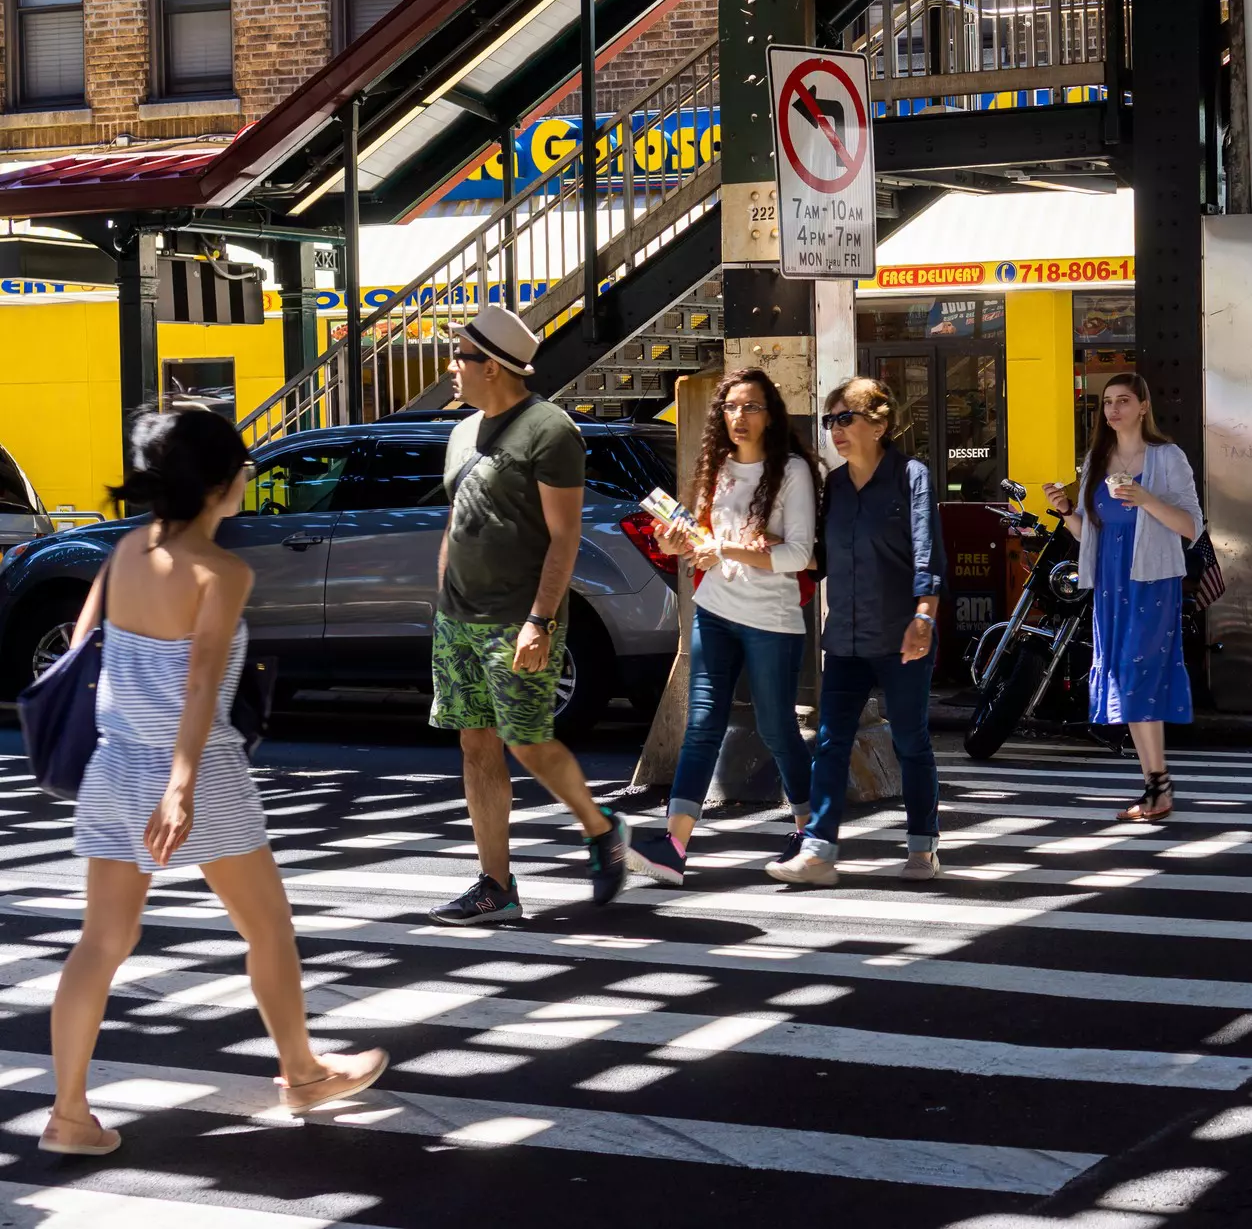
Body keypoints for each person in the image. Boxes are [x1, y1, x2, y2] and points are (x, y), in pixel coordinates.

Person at [46, 409, 386, 1156]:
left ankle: (68, 1114)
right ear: (216, 484)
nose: (248, 476)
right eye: (241, 467)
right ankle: (300, 1070)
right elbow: (202, 682)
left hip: (114, 762)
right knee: (267, 925)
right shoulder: (223, 570)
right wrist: (182, 783)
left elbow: (80, 647)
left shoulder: (126, 550)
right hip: (195, 770)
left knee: (101, 940)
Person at [426, 306, 628, 925]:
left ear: (492, 365)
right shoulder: (463, 432)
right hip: (457, 619)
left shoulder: (550, 430)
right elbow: (455, 524)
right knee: (476, 746)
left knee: (527, 741)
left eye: (459, 356)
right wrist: (442, 604)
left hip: (519, 618)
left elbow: (564, 537)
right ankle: (496, 884)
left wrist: (540, 622)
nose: (451, 368)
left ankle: (601, 828)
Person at [632, 369, 819, 884]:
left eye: (752, 407)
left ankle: (809, 831)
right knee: (702, 726)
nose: (739, 417)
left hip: (771, 620)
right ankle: (673, 845)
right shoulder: (717, 467)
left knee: (777, 727)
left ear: (771, 414)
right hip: (714, 609)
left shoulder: (793, 472)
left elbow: (800, 553)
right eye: (731, 408)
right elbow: (703, 542)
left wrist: (725, 549)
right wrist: (679, 545)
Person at [771, 378, 946, 886]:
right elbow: (819, 559)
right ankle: (819, 850)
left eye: (845, 418)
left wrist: (925, 618)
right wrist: (770, 547)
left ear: (881, 423)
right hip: (844, 637)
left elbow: (927, 555)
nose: (835, 431)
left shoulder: (911, 476)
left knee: (911, 740)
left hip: (901, 635)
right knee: (830, 741)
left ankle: (922, 845)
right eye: (830, 421)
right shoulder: (836, 487)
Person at [1044, 372, 1204, 821]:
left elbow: (1192, 527)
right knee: (1121, 675)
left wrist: (1145, 498)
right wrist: (1065, 512)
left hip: (1151, 578)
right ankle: (1156, 784)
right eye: (1108, 402)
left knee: (1138, 674)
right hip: (1110, 582)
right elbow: (1089, 532)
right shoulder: (1097, 457)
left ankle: (1160, 785)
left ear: (1143, 406)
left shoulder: (1166, 457)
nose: (1114, 409)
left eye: (1124, 400)